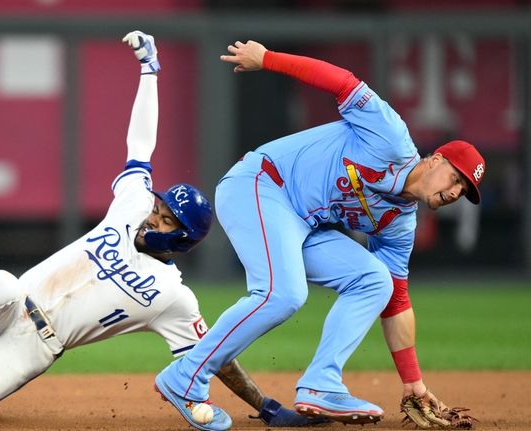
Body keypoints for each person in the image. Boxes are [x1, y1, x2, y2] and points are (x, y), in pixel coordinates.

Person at [0, 32, 327, 429]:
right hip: (10, 308)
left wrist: (265, 405)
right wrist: (149, 71)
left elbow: (217, 355)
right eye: (160, 208)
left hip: (32, 347)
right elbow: (141, 144)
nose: (155, 216)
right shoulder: (133, 205)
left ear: (182, 238)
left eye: (167, 218)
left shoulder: (172, 297)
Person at [154, 40, 486, 430]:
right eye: (455, 178)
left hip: (300, 222)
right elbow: (342, 82)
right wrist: (268, 60)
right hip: (260, 184)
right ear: (435, 160)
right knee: (283, 294)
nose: (454, 192)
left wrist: (413, 382)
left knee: (375, 279)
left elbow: (395, 301)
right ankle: (186, 377)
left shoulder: (400, 222)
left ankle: (320, 385)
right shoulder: (391, 136)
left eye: (463, 191)